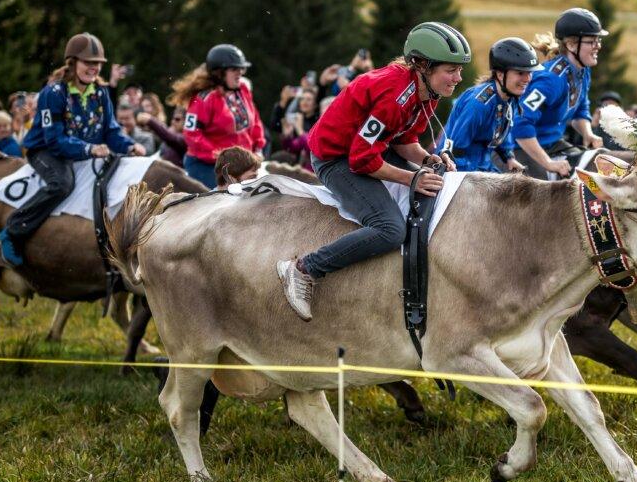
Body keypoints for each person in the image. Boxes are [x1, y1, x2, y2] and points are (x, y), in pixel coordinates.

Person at [278, 22, 468, 321]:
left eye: (459, 70)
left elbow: (405, 140)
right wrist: (412, 177)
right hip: (335, 158)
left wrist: (428, 159)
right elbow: (361, 160)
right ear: (422, 66)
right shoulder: (393, 95)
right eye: (450, 70)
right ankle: (304, 269)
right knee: (391, 230)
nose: (458, 78)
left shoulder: (427, 90)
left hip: (368, 149)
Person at [0, 33, 144, 267]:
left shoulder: (101, 92)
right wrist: (89, 148)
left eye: (97, 64)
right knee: (61, 184)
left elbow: (111, 130)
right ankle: (13, 231)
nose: (93, 68)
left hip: (84, 151)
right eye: (88, 63)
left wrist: (129, 145)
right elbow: (53, 139)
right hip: (45, 152)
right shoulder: (52, 93)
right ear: (73, 62)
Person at [512, 8, 607, 179]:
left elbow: (580, 110)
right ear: (571, 45)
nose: (598, 46)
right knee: (546, 196)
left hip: (553, 143)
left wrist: (588, 133)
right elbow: (520, 124)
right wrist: (548, 163)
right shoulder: (550, 80)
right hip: (519, 146)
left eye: (598, 40)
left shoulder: (583, 71)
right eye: (592, 41)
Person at [170, 44, 266, 189]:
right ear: (219, 73)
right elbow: (192, 135)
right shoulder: (203, 99)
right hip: (207, 166)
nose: (240, 73)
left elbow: (255, 121)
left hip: (241, 165)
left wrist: (258, 147)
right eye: (234, 69)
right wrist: (221, 157)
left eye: (241, 69)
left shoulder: (243, 89)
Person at [441, 37, 540, 173]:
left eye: (530, 73)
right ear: (500, 74)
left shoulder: (511, 98)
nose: (528, 79)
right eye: (520, 73)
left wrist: (509, 158)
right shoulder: (479, 105)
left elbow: (501, 133)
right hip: (458, 168)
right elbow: (456, 150)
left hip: (483, 166)